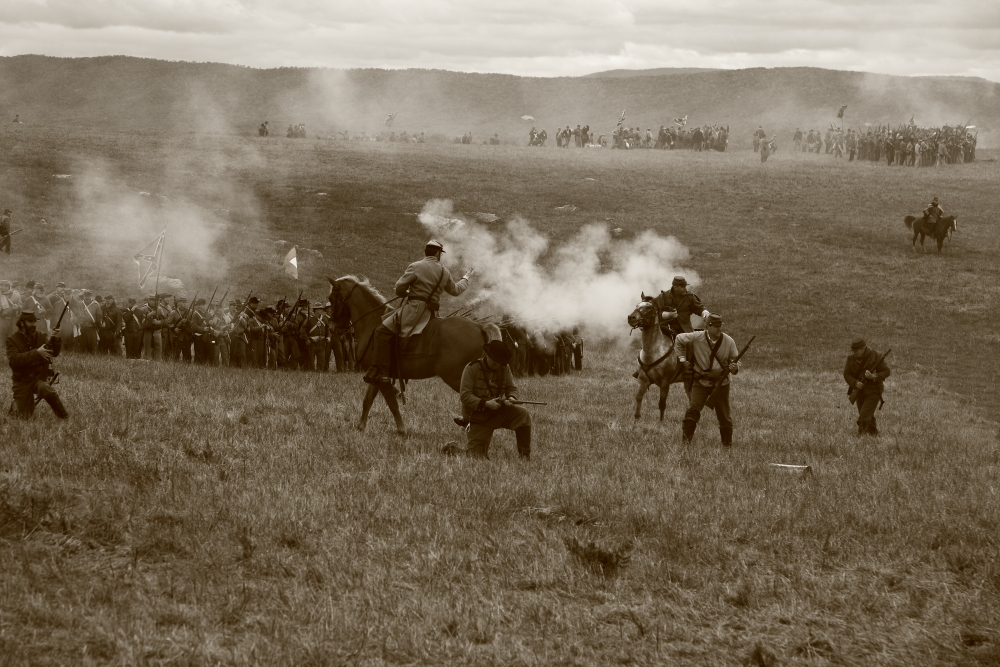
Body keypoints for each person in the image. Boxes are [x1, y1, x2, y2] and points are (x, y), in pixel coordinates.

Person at [364, 240, 473, 385]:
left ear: (426, 252)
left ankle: (381, 372)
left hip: (413, 311)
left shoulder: (415, 266)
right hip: (432, 314)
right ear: (438, 253)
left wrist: (408, 292)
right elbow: (455, 290)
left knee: (381, 331)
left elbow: (399, 288)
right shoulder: (444, 271)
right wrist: (466, 278)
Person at [444, 340, 531, 460]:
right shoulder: (471, 368)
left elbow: (511, 388)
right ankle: (451, 449)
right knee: (476, 457)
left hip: (498, 412)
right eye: (495, 361)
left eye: (500, 362)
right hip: (477, 417)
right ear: (487, 355)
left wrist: (511, 398)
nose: (498, 364)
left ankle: (525, 456)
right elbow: (465, 396)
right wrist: (486, 404)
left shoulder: (504, 367)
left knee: (523, 415)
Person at [676, 313, 740, 446]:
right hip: (700, 382)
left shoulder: (729, 341)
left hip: (721, 383)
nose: (719, 329)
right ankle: (685, 444)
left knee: (724, 416)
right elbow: (679, 339)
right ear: (708, 326)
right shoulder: (696, 337)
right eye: (716, 327)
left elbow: (735, 359)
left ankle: (727, 446)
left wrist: (734, 367)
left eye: (720, 326)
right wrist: (682, 360)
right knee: (693, 411)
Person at [6, 303, 68, 419]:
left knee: (47, 389)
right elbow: (14, 361)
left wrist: (56, 339)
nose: (33, 324)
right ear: (22, 323)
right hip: (22, 382)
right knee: (23, 417)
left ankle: (64, 417)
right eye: (30, 322)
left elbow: (53, 353)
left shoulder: (41, 336)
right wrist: (37, 352)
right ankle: (17, 405)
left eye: (35, 322)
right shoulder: (12, 340)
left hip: (37, 379)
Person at [843, 338, 890, 436]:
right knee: (868, 414)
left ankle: (861, 436)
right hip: (859, 391)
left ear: (863, 348)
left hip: (874, 390)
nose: (854, 353)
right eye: (853, 351)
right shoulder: (850, 359)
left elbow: (886, 371)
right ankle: (873, 435)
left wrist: (874, 376)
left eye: (856, 351)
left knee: (864, 415)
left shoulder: (876, 356)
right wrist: (855, 383)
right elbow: (847, 374)